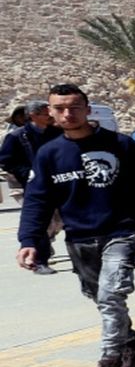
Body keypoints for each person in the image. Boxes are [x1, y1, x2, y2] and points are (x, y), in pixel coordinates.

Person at [16, 84, 135, 367]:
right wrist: (29, 240)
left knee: (112, 295)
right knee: (100, 298)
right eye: (59, 109)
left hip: (121, 232)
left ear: (87, 109)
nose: (67, 114)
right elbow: (37, 201)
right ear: (51, 112)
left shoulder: (120, 145)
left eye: (74, 107)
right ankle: (131, 348)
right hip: (79, 238)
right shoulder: (49, 154)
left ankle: (108, 363)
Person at [2, 99, 63, 272]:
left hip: (55, 183)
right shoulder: (16, 137)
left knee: (58, 221)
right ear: (33, 116)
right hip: (27, 186)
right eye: (46, 113)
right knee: (40, 221)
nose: (50, 115)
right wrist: (27, 172)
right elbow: (6, 161)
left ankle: (46, 241)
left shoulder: (56, 133)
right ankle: (40, 261)